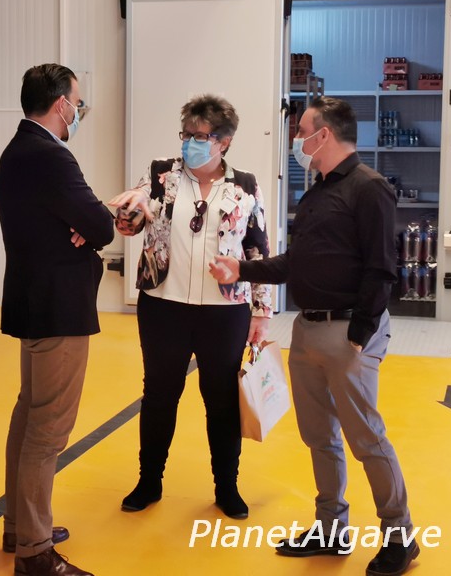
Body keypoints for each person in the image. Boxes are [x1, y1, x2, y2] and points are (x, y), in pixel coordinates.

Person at [209, 96, 419, 576]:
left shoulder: (369, 189)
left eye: (302, 130)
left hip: (348, 333)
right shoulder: (318, 192)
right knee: (319, 437)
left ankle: (400, 535)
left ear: (324, 134)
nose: (297, 139)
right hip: (307, 331)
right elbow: (297, 263)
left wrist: (360, 334)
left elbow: (382, 268)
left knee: (367, 439)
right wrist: (241, 268)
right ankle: (330, 528)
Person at [108, 94, 272, 519]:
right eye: (186, 134)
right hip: (164, 306)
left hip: (225, 312)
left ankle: (227, 486)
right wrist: (128, 213)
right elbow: (131, 223)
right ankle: (149, 481)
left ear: (224, 142)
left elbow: (257, 249)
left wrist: (261, 311)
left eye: (201, 136)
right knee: (159, 396)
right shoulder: (160, 175)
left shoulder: (245, 185)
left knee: (221, 401)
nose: (190, 143)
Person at [0, 63, 114, 576]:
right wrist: (94, 220)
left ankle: (18, 526)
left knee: (28, 416)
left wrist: (85, 220)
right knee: (47, 431)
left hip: (30, 304)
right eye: (77, 103)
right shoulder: (52, 157)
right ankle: (35, 553)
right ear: (61, 104)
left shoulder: (15, 152)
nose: (79, 111)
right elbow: (102, 226)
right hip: (59, 309)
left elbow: (77, 220)